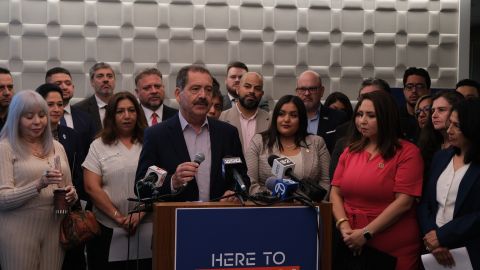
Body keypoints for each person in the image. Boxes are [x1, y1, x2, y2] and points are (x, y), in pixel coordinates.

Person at [330, 91, 424, 270]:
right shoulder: (350, 151)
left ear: (386, 118)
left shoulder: (408, 152)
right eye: (359, 114)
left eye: (371, 116)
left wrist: (365, 234)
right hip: (350, 241)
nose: (362, 121)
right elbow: (335, 192)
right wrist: (344, 226)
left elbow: (404, 202)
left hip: (391, 245)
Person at [135, 65, 249, 202]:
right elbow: (141, 189)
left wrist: (235, 193)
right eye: (195, 89)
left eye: (208, 90)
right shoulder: (157, 135)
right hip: (175, 220)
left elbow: (243, 178)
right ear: (178, 94)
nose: (203, 96)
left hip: (220, 218)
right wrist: (173, 182)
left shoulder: (227, 133)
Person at [0, 90, 78, 270]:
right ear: (16, 119)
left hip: (54, 228)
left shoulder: (57, 146)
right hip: (17, 231)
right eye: (29, 117)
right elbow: (2, 199)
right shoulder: (5, 148)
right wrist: (38, 185)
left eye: (42, 115)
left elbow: (68, 186)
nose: (37, 122)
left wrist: (71, 194)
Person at [83, 91, 150, 269]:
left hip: (146, 225)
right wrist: (119, 218)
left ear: (138, 113)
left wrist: (139, 213)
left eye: (131, 110)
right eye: (120, 111)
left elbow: (160, 182)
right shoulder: (98, 145)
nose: (127, 116)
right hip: (107, 227)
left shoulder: (151, 141)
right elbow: (91, 187)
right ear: (111, 116)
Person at [418, 98, 480, 269]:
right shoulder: (441, 157)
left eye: (457, 126)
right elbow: (426, 203)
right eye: (449, 123)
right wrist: (433, 238)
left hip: (469, 250)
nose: (449, 130)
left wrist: (443, 236)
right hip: (433, 250)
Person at [36, 83, 87, 270]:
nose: (57, 109)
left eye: (60, 104)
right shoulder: (28, 138)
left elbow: (80, 173)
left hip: (68, 211)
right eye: (50, 104)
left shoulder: (73, 136)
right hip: (39, 211)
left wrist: (74, 192)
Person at [246, 95, 330, 198]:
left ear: (301, 119)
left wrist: (314, 203)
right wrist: (272, 201)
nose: (286, 119)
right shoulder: (259, 141)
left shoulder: (317, 142)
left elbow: (326, 181)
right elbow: (251, 182)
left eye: (293, 115)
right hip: (268, 207)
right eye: (281, 114)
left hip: (308, 208)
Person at [295, 70, 347, 153]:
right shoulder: (288, 119)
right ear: (297, 92)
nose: (307, 93)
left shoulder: (339, 118)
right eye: (302, 89)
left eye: (312, 89)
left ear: (322, 91)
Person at [220, 72, 270, 154]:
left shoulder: (270, 120)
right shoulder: (222, 118)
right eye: (247, 86)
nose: (252, 91)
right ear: (238, 89)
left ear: (262, 94)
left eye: (257, 88)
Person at [417, 90, 464, 179]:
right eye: (433, 110)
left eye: (441, 110)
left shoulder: (465, 147)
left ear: (457, 112)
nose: (434, 115)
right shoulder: (428, 144)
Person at [45, 67, 97, 146]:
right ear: (47, 88)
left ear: (73, 87)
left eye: (68, 83)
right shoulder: (40, 118)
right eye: (58, 84)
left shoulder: (86, 119)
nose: (64, 87)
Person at [73, 62, 116, 133]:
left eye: (110, 76)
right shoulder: (79, 110)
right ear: (92, 82)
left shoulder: (125, 106)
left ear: (115, 81)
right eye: (100, 76)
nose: (106, 80)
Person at [400, 67, 432, 142]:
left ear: (429, 91)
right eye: (409, 87)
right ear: (404, 91)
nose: (414, 91)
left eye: (419, 87)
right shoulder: (395, 117)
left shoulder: (434, 116)